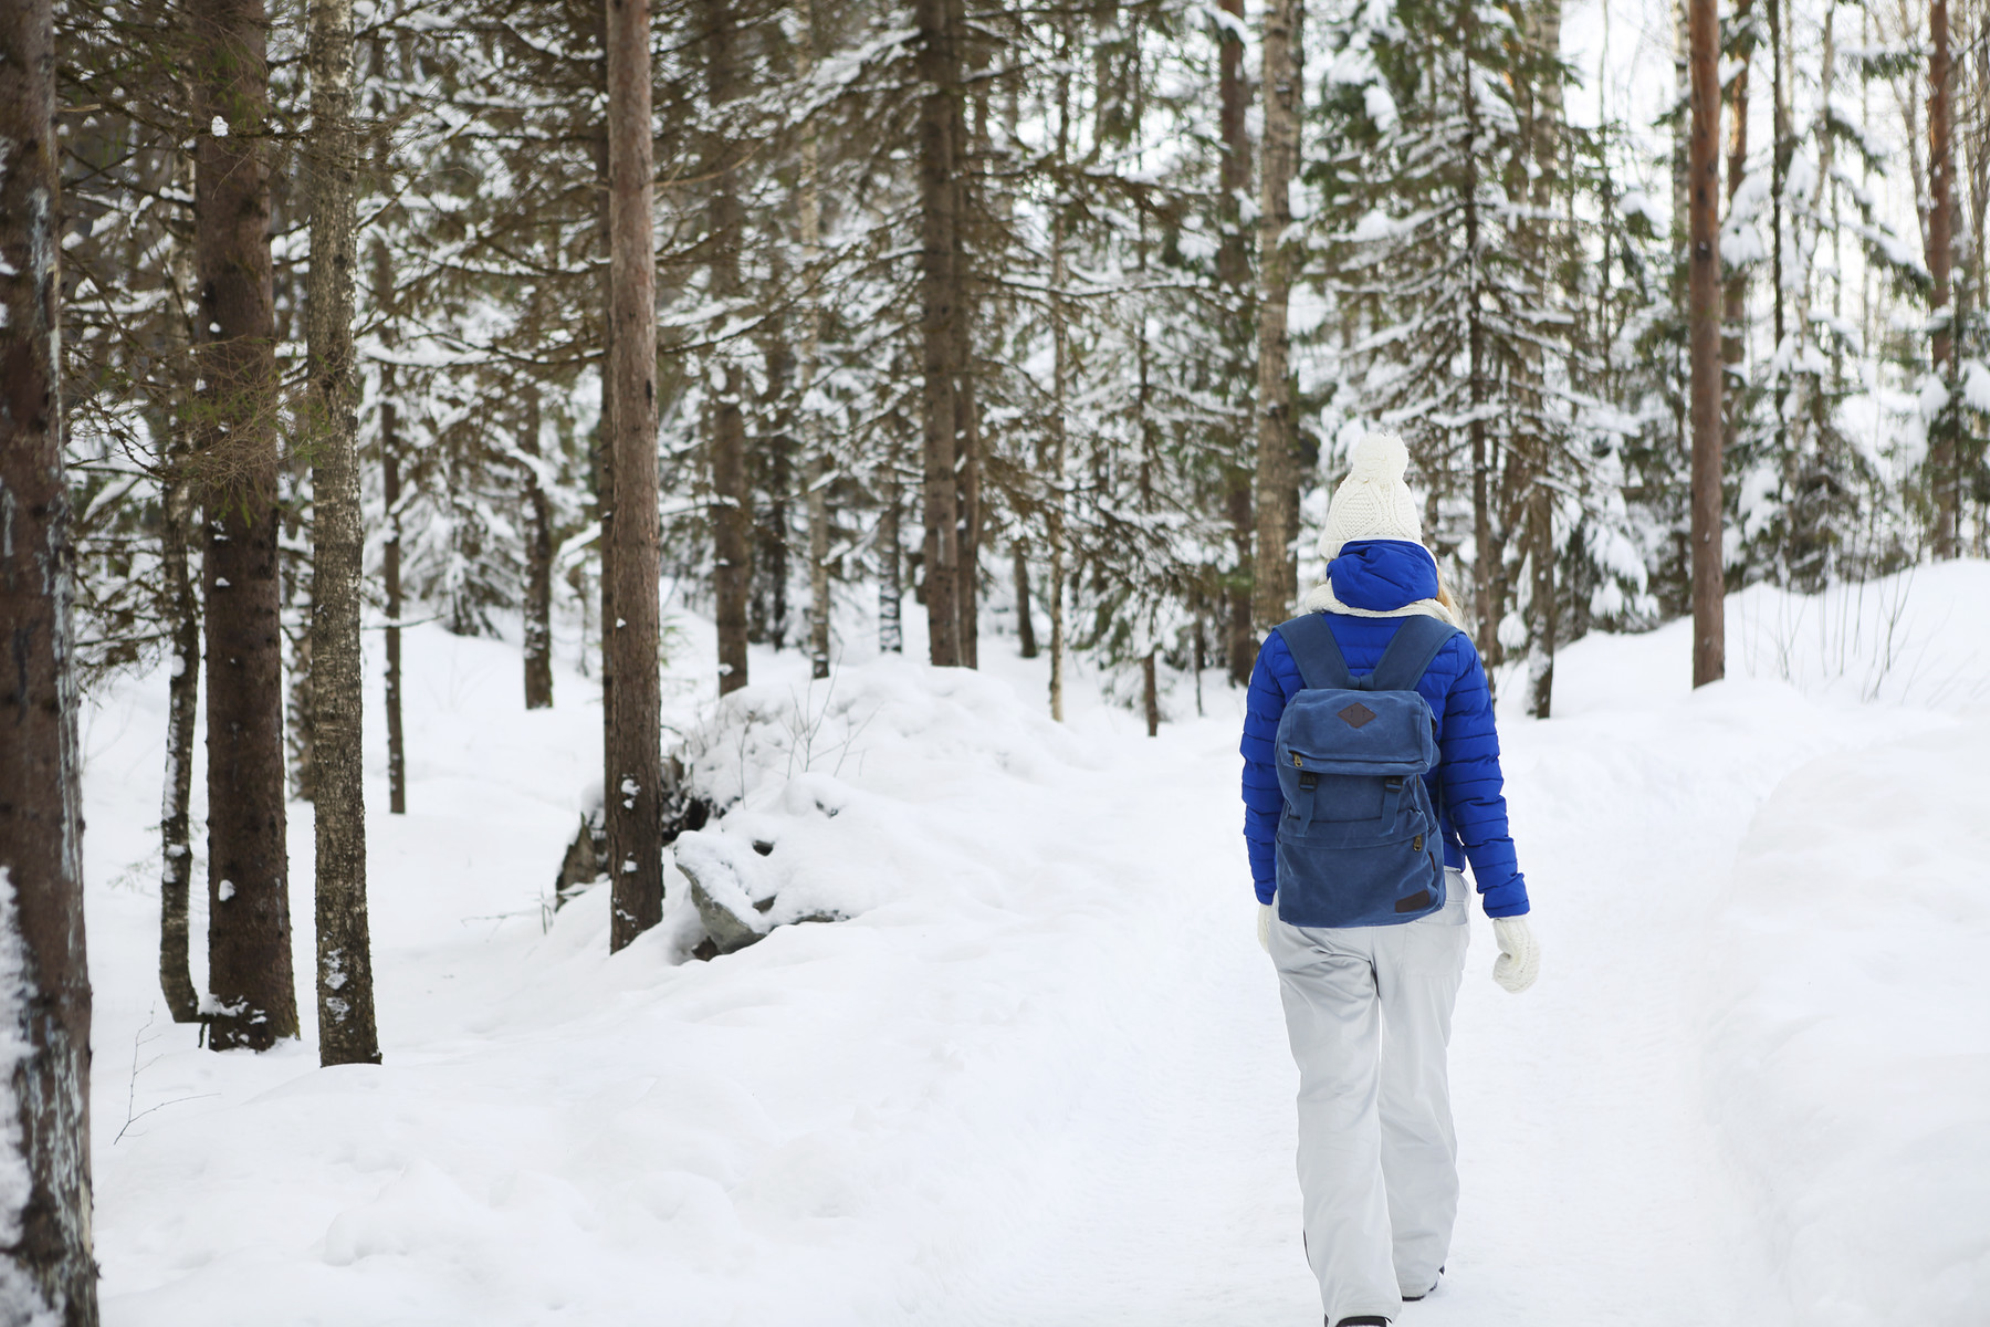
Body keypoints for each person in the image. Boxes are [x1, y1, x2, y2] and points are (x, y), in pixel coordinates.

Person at [1240, 430, 1540, 1326]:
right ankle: (1413, 1262)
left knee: (1333, 1094)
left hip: (1315, 908)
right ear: (1417, 550)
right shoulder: (1446, 652)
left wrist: (1268, 893)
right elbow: (1476, 793)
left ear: (1335, 551)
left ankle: (1357, 1297)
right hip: (1423, 902)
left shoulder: (1287, 648)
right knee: (1414, 1079)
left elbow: (1261, 790)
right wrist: (1509, 911)